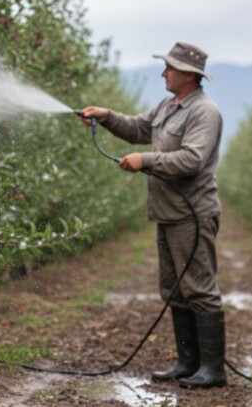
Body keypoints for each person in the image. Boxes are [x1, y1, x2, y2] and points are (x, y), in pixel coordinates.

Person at [79, 41, 226, 388]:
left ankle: (213, 371)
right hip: (168, 212)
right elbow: (138, 129)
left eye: (170, 68)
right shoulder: (167, 106)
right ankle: (187, 363)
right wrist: (107, 116)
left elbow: (192, 159)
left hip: (192, 215)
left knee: (198, 289)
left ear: (188, 75)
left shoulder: (204, 112)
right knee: (174, 289)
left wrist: (145, 160)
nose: (164, 73)